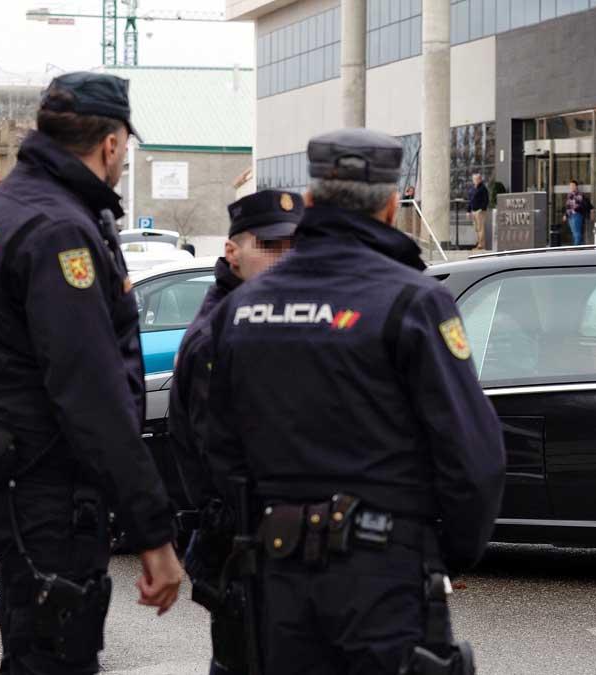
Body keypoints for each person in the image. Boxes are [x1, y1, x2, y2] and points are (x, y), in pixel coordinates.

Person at [205, 128, 506, 674]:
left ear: (312, 204)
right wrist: (443, 551)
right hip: (382, 577)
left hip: (273, 576)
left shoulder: (241, 308)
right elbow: (474, 454)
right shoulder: (414, 302)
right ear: (391, 207)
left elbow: (208, 441)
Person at [0, 71, 182, 674]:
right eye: (125, 146)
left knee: (32, 652)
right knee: (52, 659)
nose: (124, 158)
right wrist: (153, 533)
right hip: (46, 490)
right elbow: (92, 394)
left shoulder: (14, 206)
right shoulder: (59, 230)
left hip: (18, 478)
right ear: (110, 144)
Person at [167, 190, 301, 675]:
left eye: (294, 246)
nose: (284, 259)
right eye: (270, 247)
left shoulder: (270, 318)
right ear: (233, 253)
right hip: (243, 544)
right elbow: (219, 461)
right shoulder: (217, 335)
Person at [467, 173, 490, 251]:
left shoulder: (483, 188)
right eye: (474, 179)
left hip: (480, 212)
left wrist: (481, 209)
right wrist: (468, 211)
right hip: (473, 211)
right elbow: (470, 201)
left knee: (481, 228)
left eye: (477, 179)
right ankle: (478, 244)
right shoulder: (472, 189)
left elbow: (486, 200)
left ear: (480, 179)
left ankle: (481, 245)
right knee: (476, 229)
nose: (475, 180)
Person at [563, 179, 588, 246]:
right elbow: (568, 206)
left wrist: (571, 211)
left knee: (577, 232)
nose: (571, 187)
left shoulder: (579, 194)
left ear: (576, 186)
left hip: (577, 215)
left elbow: (578, 206)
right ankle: (580, 246)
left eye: (573, 185)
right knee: (574, 232)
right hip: (570, 216)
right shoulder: (569, 195)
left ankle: (576, 247)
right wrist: (565, 214)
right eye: (570, 186)